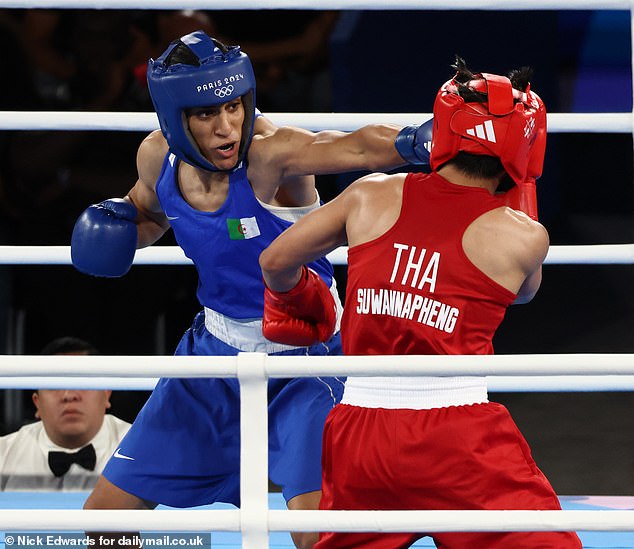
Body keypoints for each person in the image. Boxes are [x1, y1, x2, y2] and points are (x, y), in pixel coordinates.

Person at [70, 30, 426, 549]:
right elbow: (149, 210)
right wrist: (124, 227)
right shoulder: (156, 157)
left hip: (306, 359)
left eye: (234, 106)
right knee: (105, 522)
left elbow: (347, 146)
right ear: (174, 119)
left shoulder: (270, 155)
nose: (227, 126)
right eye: (207, 114)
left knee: (317, 537)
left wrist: (413, 141)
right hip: (212, 355)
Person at [260, 57, 583, 548]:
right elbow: (524, 293)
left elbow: (274, 261)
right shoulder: (524, 239)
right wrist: (518, 192)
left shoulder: (368, 195)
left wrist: (302, 302)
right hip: (459, 436)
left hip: (359, 429)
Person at [0, 337, 131, 491]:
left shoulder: (141, 449)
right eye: (55, 384)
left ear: (106, 394)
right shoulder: (4, 454)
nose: (69, 395)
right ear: (37, 403)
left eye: (82, 382)